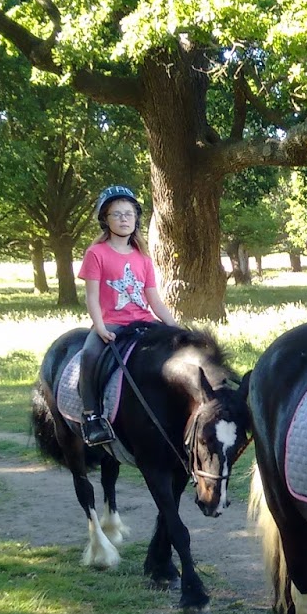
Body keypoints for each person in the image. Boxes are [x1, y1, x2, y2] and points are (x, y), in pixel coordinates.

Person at [77, 185, 180, 446]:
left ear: (136, 219)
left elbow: (153, 299)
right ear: (105, 220)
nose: (124, 219)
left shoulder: (143, 258)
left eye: (129, 214)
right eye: (116, 214)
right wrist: (99, 327)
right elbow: (91, 296)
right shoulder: (96, 254)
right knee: (89, 355)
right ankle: (92, 418)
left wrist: (175, 327)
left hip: (142, 322)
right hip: (111, 322)